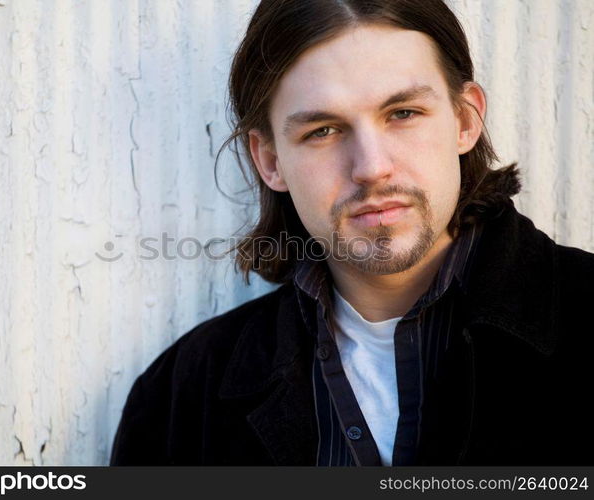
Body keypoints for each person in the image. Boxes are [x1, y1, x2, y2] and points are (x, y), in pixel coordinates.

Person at [110, 0, 593, 465]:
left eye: (403, 113)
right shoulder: (181, 395)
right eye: (322, 130)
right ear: (271, 161)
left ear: (465, 121)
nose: (372, 167)